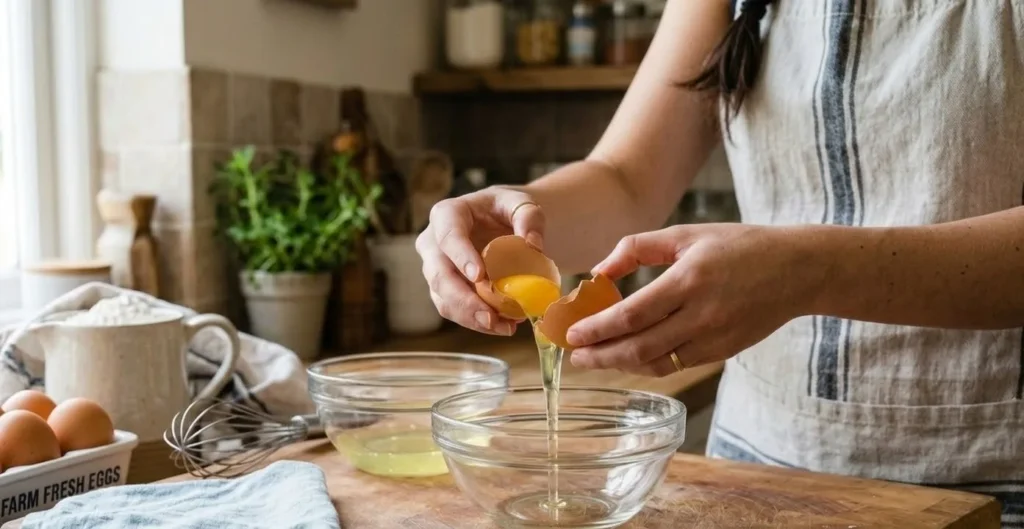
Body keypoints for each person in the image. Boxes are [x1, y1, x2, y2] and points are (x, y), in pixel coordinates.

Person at [416, 0, 1024, 525]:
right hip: (757, 468)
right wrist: (515, 217)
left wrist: (808, 270)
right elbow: (627, 181)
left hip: (991, 475)